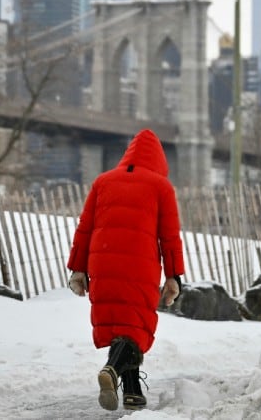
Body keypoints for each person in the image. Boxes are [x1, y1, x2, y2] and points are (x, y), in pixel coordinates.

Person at [66, 129, 185, 411]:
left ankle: (132, 392)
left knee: (121, 323)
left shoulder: (103, 182)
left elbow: (85, 228)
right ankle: (111, 369)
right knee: (135, 327)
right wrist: (173, 275)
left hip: (102, 260)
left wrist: (78, 269)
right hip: (139, 265)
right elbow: (169, 237)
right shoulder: (161, 186)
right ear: (159, 160)